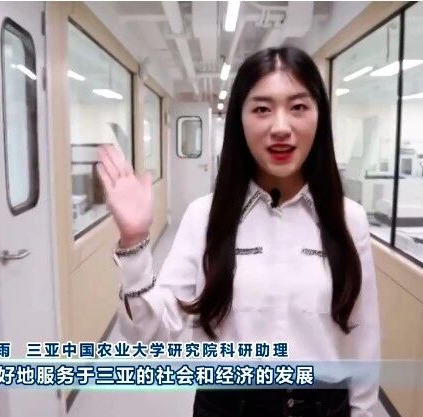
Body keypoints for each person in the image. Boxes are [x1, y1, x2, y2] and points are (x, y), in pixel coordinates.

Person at [96, 46, 380, 417]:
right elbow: (148, 333)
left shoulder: (348, 219)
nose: (281, 127)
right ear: (239, 121)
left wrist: (363, 411)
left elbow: (363, 333)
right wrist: (134, 242)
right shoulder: (204, 217)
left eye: (298, 107)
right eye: (262, 109)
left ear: (319, 117)